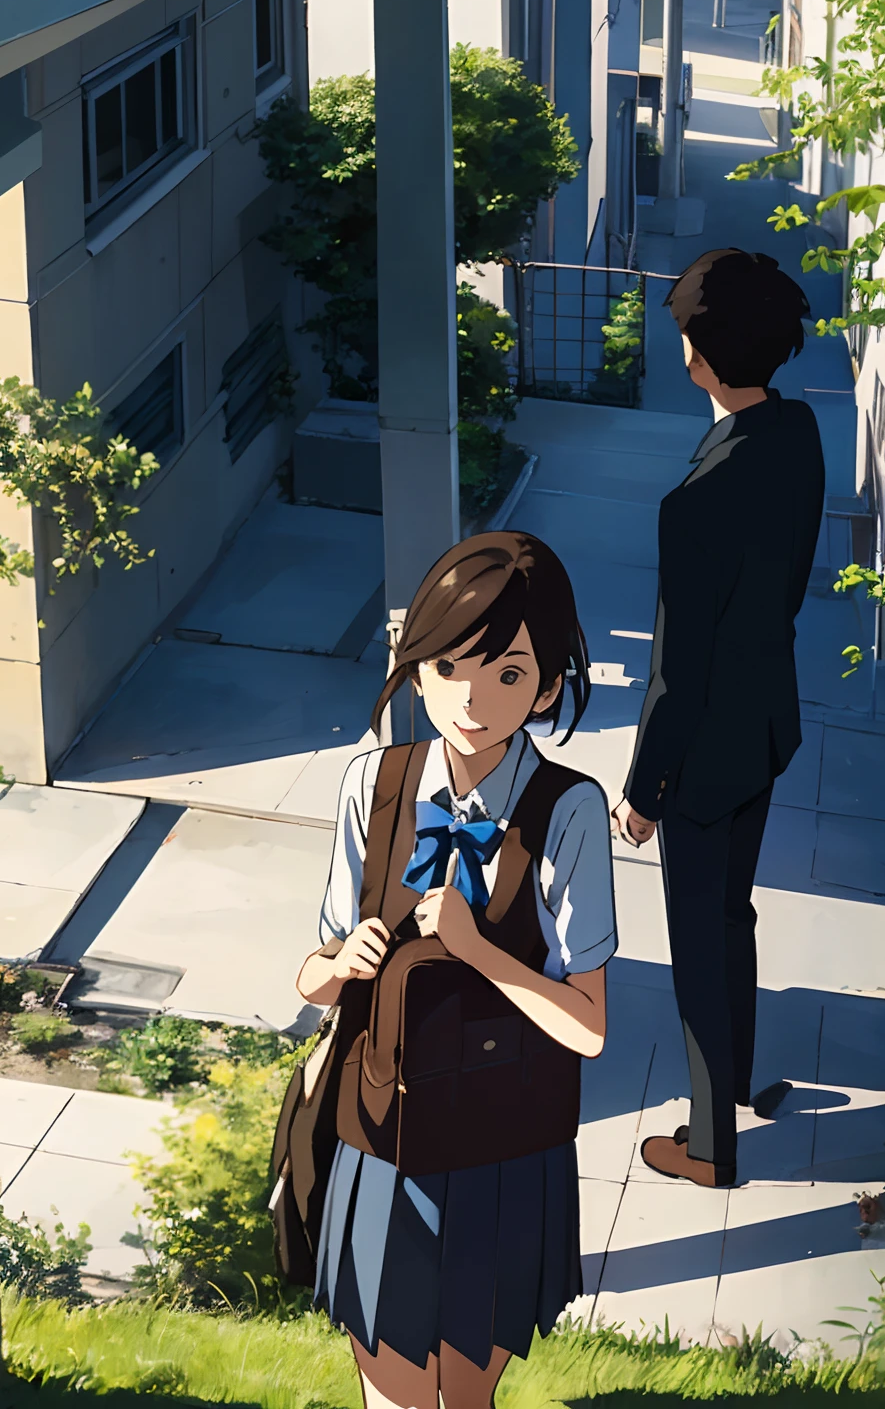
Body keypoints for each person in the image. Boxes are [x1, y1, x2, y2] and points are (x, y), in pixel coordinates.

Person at [297, 532, 616, 1409]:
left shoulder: (569, 811)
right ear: (419, 666)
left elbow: (588, 1027)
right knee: (390, 1385)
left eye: (509, 674)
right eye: (452, 668)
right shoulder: (375, 783)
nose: (474, 699)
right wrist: (335, 966)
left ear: (548, 685)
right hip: (379, 1134)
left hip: (502, 1146)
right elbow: (315, 973)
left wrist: (479, 953)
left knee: (465, 1389)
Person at [614, 247, 825, 1189]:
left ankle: (709, 1148)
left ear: (700, 353)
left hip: (702, 755)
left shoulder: (696, 499)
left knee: (699, 943)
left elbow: (677, 666)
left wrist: (642, 787)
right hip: (766, 725)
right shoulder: (800, 433)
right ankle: (734, 1084)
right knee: (730, 915)